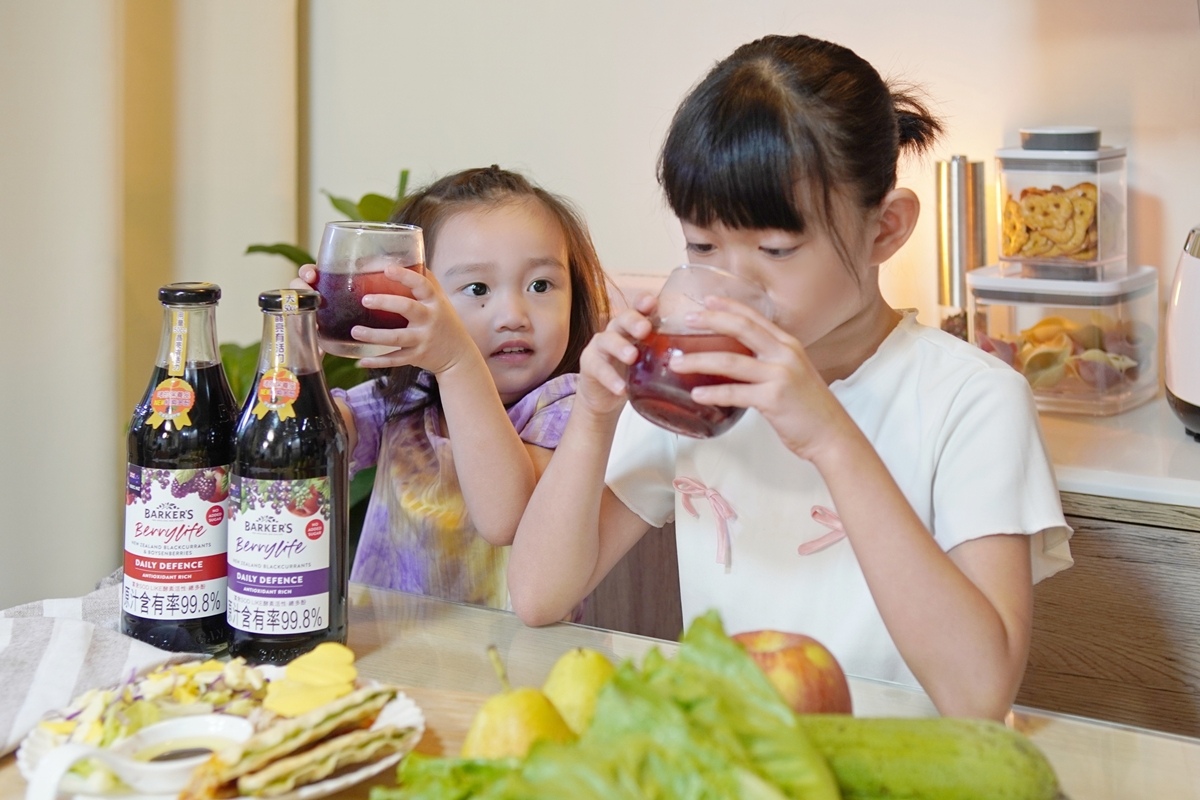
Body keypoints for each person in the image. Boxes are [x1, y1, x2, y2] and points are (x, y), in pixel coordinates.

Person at [507, 35, 1073, 720]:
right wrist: (595, 417)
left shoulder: (973, 400)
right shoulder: (703, 385)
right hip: (746, 759)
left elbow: (979, 694)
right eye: (702, 245)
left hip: (905, 763)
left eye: (775, 249)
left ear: (886, 229)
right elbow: (537, 595)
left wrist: (831, 438)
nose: (730, 284)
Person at [297, 166, 610, 611]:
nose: (513, 315)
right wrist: (297, 353)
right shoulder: (404, 400)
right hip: (387, 644)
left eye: (540, 285)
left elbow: (504, 518)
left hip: (514, 652)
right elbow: (306, 446)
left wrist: (457, 361)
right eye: (477, 288)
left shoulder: (570, 409)